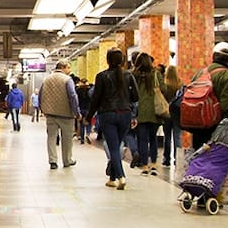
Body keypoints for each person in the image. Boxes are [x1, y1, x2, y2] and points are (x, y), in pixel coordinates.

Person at [86, 48, 139, 190]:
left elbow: (95, 99)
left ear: (107, 60)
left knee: (114, 147)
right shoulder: (128, 75)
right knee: (117, 145)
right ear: (122, 60)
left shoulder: (102, 76)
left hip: (107, 115)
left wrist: (88, 117)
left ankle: (121, 177)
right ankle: (112, 178)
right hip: (125, 114)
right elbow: (136, 97)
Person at [188, 41, 228, 150]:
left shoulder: (200, 73)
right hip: (216, 127)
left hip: (197, 124)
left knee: (198, 157)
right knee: (213, 160)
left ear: (213, 56)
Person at [39, 60, 80, 170]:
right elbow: (72, 96)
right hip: (66, 114)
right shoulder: (68, 80)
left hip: (50, 114)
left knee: (51, 137)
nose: (69, 70)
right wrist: (77, 112)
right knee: (67, 139)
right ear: (63, 67)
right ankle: (67, 160)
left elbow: (40, 95)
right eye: (69, 67)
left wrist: (42, 109)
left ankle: (53, 161)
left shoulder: (46, 80)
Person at [132, 53, 162, 176]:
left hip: (140, 112)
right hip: (155, 111)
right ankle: (154, 164)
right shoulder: (156, 74)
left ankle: (144, 166)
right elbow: (164, 89)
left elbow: (131, 93)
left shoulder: (134, 75)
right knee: (153, 138)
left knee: (142, 139)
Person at [161, 64, 182, 167]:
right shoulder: (180, 84)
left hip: (167, 113)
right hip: (178, 113)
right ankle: (177, 159)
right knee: (177, 136)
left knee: (167, 137)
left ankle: (166, 159)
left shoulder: (165, 85)